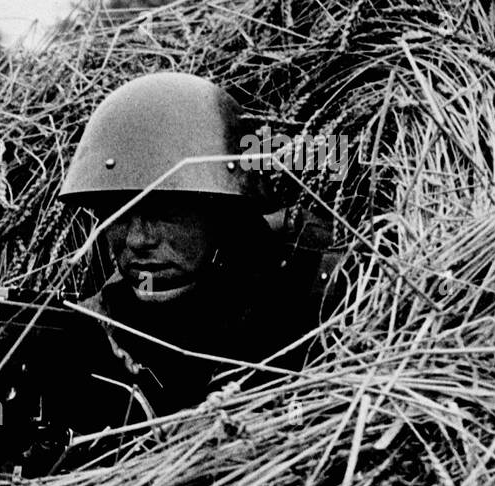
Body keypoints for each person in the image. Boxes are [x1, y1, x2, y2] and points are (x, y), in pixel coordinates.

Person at [51, 71, 340, 442]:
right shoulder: (104, 322)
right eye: (118, 215)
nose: (138, 240)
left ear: (225, 213)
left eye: (166, 214)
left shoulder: (314, 290)